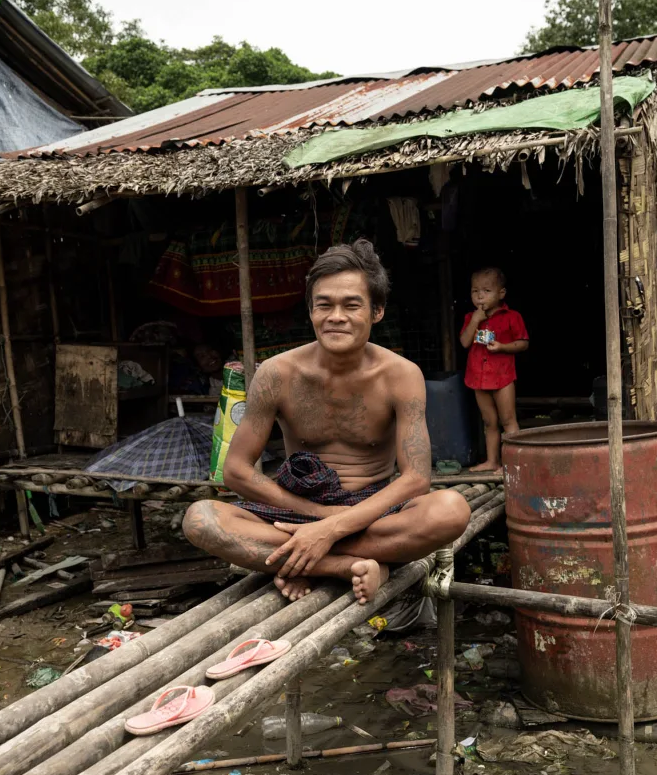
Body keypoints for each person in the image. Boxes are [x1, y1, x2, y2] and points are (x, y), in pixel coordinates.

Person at [183, 240, 471, 605]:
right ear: (310, 310)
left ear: (377, 311)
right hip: (296, 508)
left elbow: (416, 478)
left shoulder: (401, 375)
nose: (336, 316)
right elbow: (236, 472)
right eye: (324, 304)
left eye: (352, 305)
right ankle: (342, 566)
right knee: (199, 519)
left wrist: (335, 526)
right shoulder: (276, 373)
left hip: (372, 511)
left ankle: (297, 560)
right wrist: (319, 518)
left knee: (451, 509)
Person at [459, 267, 528, 473]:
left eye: (487, 291)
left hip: (503, 376)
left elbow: (523, 343)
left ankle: (512, 463)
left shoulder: (511, 316)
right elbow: (464, 342)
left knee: (508, 420)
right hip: (478, 377)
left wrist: (502, 347)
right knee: (489, 422)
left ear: (501, 294)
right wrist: (474, 321)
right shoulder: (470, 318)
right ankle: (492, 461)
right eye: (475, 291)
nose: (480, 296)